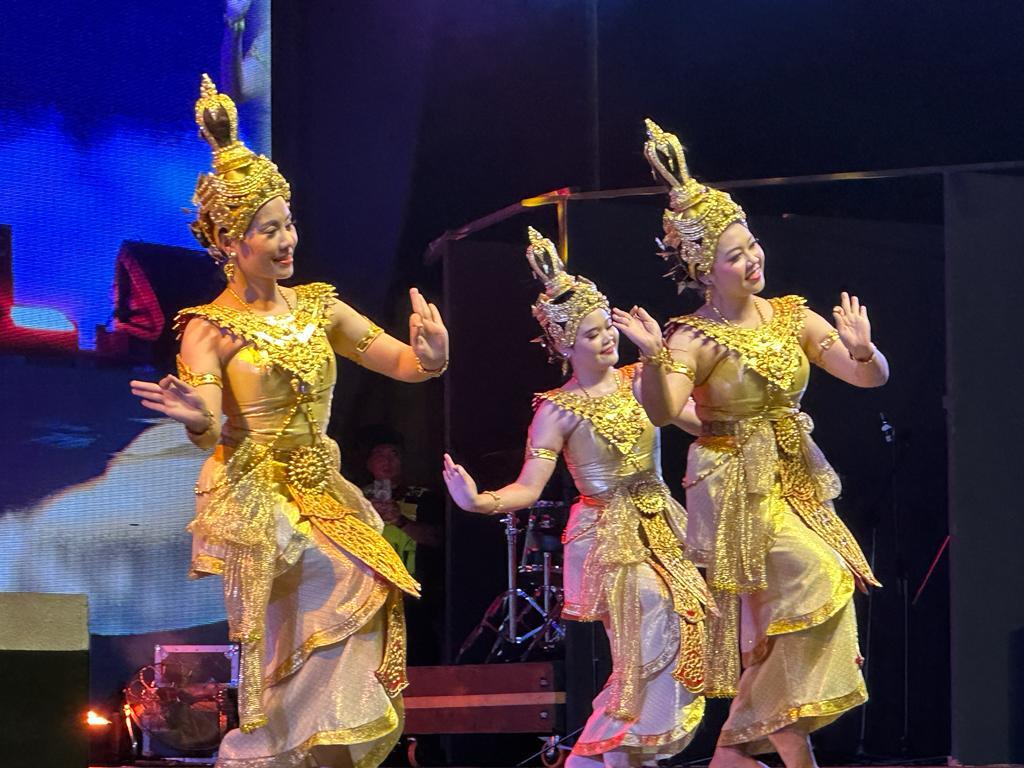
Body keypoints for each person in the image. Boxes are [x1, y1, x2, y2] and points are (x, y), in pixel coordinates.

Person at [129, 75, 449, 768]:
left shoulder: (319, 307)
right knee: (305, 614)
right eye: (268, 229)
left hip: (322, 492)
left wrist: (431, 357)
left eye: (288, 224)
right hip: (258, 497)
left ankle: (312, 747)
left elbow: (396, 360)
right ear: (231, 241)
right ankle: (268, 746)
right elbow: (211, 423)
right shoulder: (208, 331)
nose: (286, 240)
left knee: (361, 588)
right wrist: (194, 417)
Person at [611, 120, 888, 768]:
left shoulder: (790, 314)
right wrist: (653, 362)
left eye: (752, 245)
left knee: (776, 628)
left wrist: (864, 351)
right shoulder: (691, 339)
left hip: (790, 475)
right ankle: (775, 752)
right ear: (705, 269)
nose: (753, 259)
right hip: (733, 487)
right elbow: (662, 411)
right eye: (735, 255)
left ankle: (737, 749)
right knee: (815, 579)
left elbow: (867, 378)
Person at [443, 227, 710, 768]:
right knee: (648, 630)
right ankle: (618, 748)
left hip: (661, 522)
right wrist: (480, 502)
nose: (607, 339)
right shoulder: (556, 410)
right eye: (591, 335)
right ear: (565, 345)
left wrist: (663, 361)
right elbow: (529, 486)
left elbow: (701, 420)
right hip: (607, 535)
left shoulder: (641, 380)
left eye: (606, 326)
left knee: (690, 621)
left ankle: (609, 755)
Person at [361, 426, 444, 664]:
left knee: (419, 655)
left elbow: (437, 538)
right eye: (380, 454)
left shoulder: (424, 496)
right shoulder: (355, 498)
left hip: (415, 592)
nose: (387, 461)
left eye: (394, 454)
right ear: (368, 462)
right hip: (367, 590)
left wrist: (400, 520)